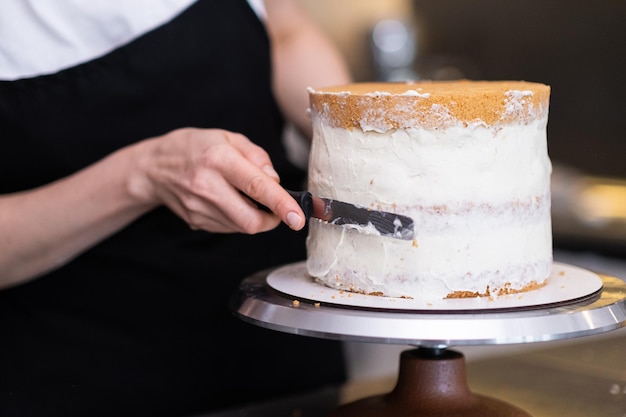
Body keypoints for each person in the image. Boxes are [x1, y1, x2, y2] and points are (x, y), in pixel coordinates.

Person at [0, 0, 352, 416]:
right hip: (79, 373)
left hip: (285, 348)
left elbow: (285, 29)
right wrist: (144, 175)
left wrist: (359, 155)